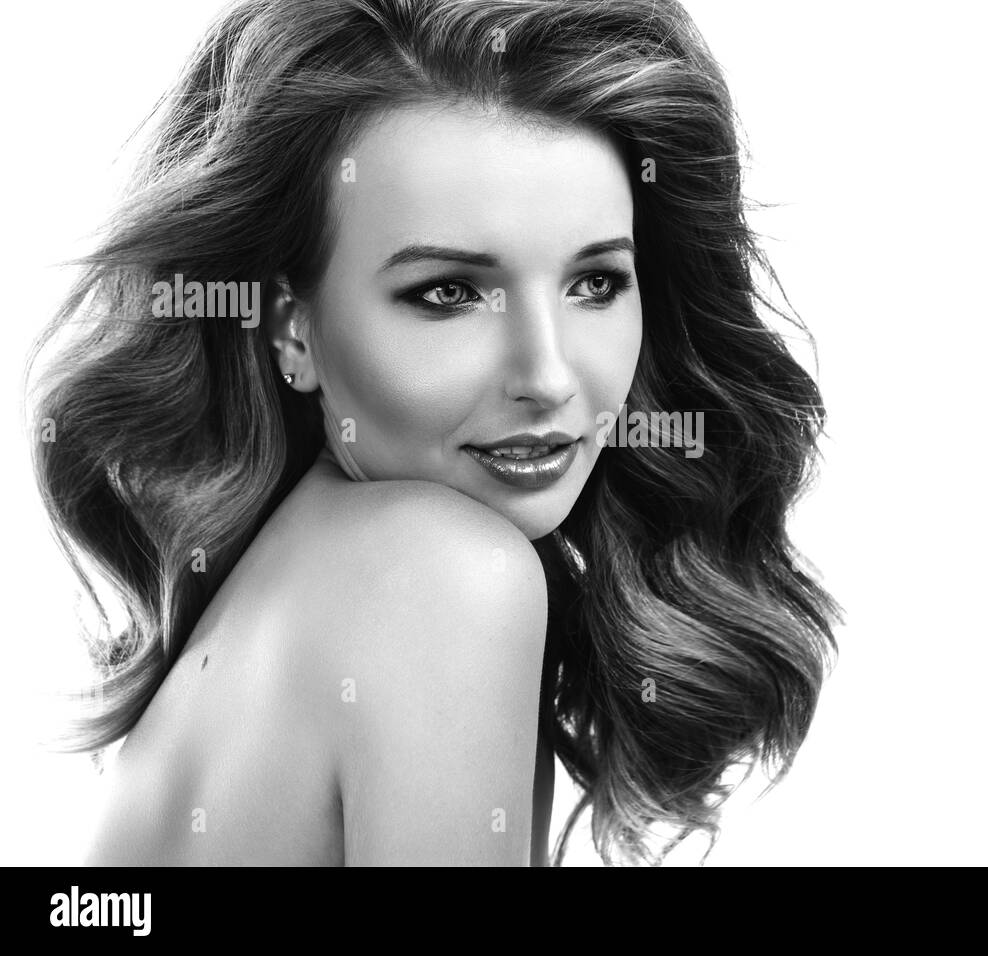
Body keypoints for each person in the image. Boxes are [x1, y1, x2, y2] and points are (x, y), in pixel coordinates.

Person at [26, 0, 842, 866]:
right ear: (292, 327)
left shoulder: (284, 586)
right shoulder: (446, 575)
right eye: (448, 293)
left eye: (596, 283)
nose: (548, 377)